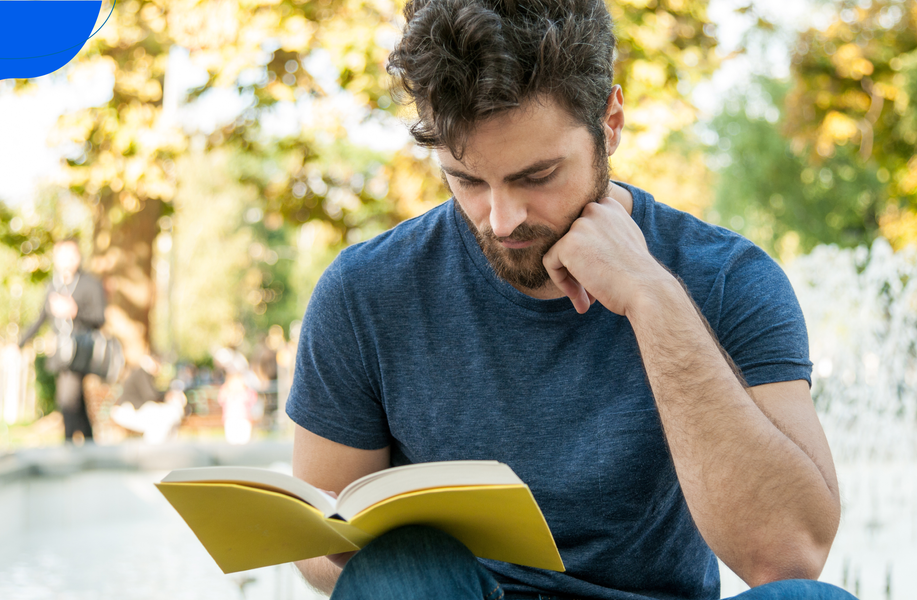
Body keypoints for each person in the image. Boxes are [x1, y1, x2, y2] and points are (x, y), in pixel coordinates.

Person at [287, 2, 849, 599]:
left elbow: (792, 554)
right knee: (405, 575)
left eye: (536, 175)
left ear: (609, 122)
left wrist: (652, 298)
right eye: (468, 180)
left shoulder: (729, 279)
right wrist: (387, 549)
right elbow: (320, 555)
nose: (501, 222)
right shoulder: (365, 291)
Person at [20, 238, 107, 444]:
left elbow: (100, 318)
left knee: (67, 400)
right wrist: (19, 343)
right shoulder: (53, 285)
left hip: (82, 352)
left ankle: (69, 448)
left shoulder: (90, 284)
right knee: (77, 404)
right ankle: (89, 446)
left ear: (78, 257)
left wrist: (74, 312)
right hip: (61, 352)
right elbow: (40, 318)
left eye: (71, 255)